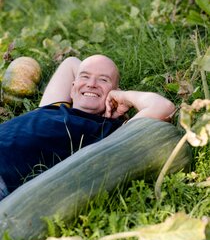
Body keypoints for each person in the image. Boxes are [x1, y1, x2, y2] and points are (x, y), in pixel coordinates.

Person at [0, 54, 175, 200]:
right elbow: (70, 64)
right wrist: (91, 79)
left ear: (114, 93)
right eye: (85, 77)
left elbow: (164, 107)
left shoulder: (111, 133)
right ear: (72, 88)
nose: (91, 84)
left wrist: (123, 96)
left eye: (103, 80)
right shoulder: (53, 107)